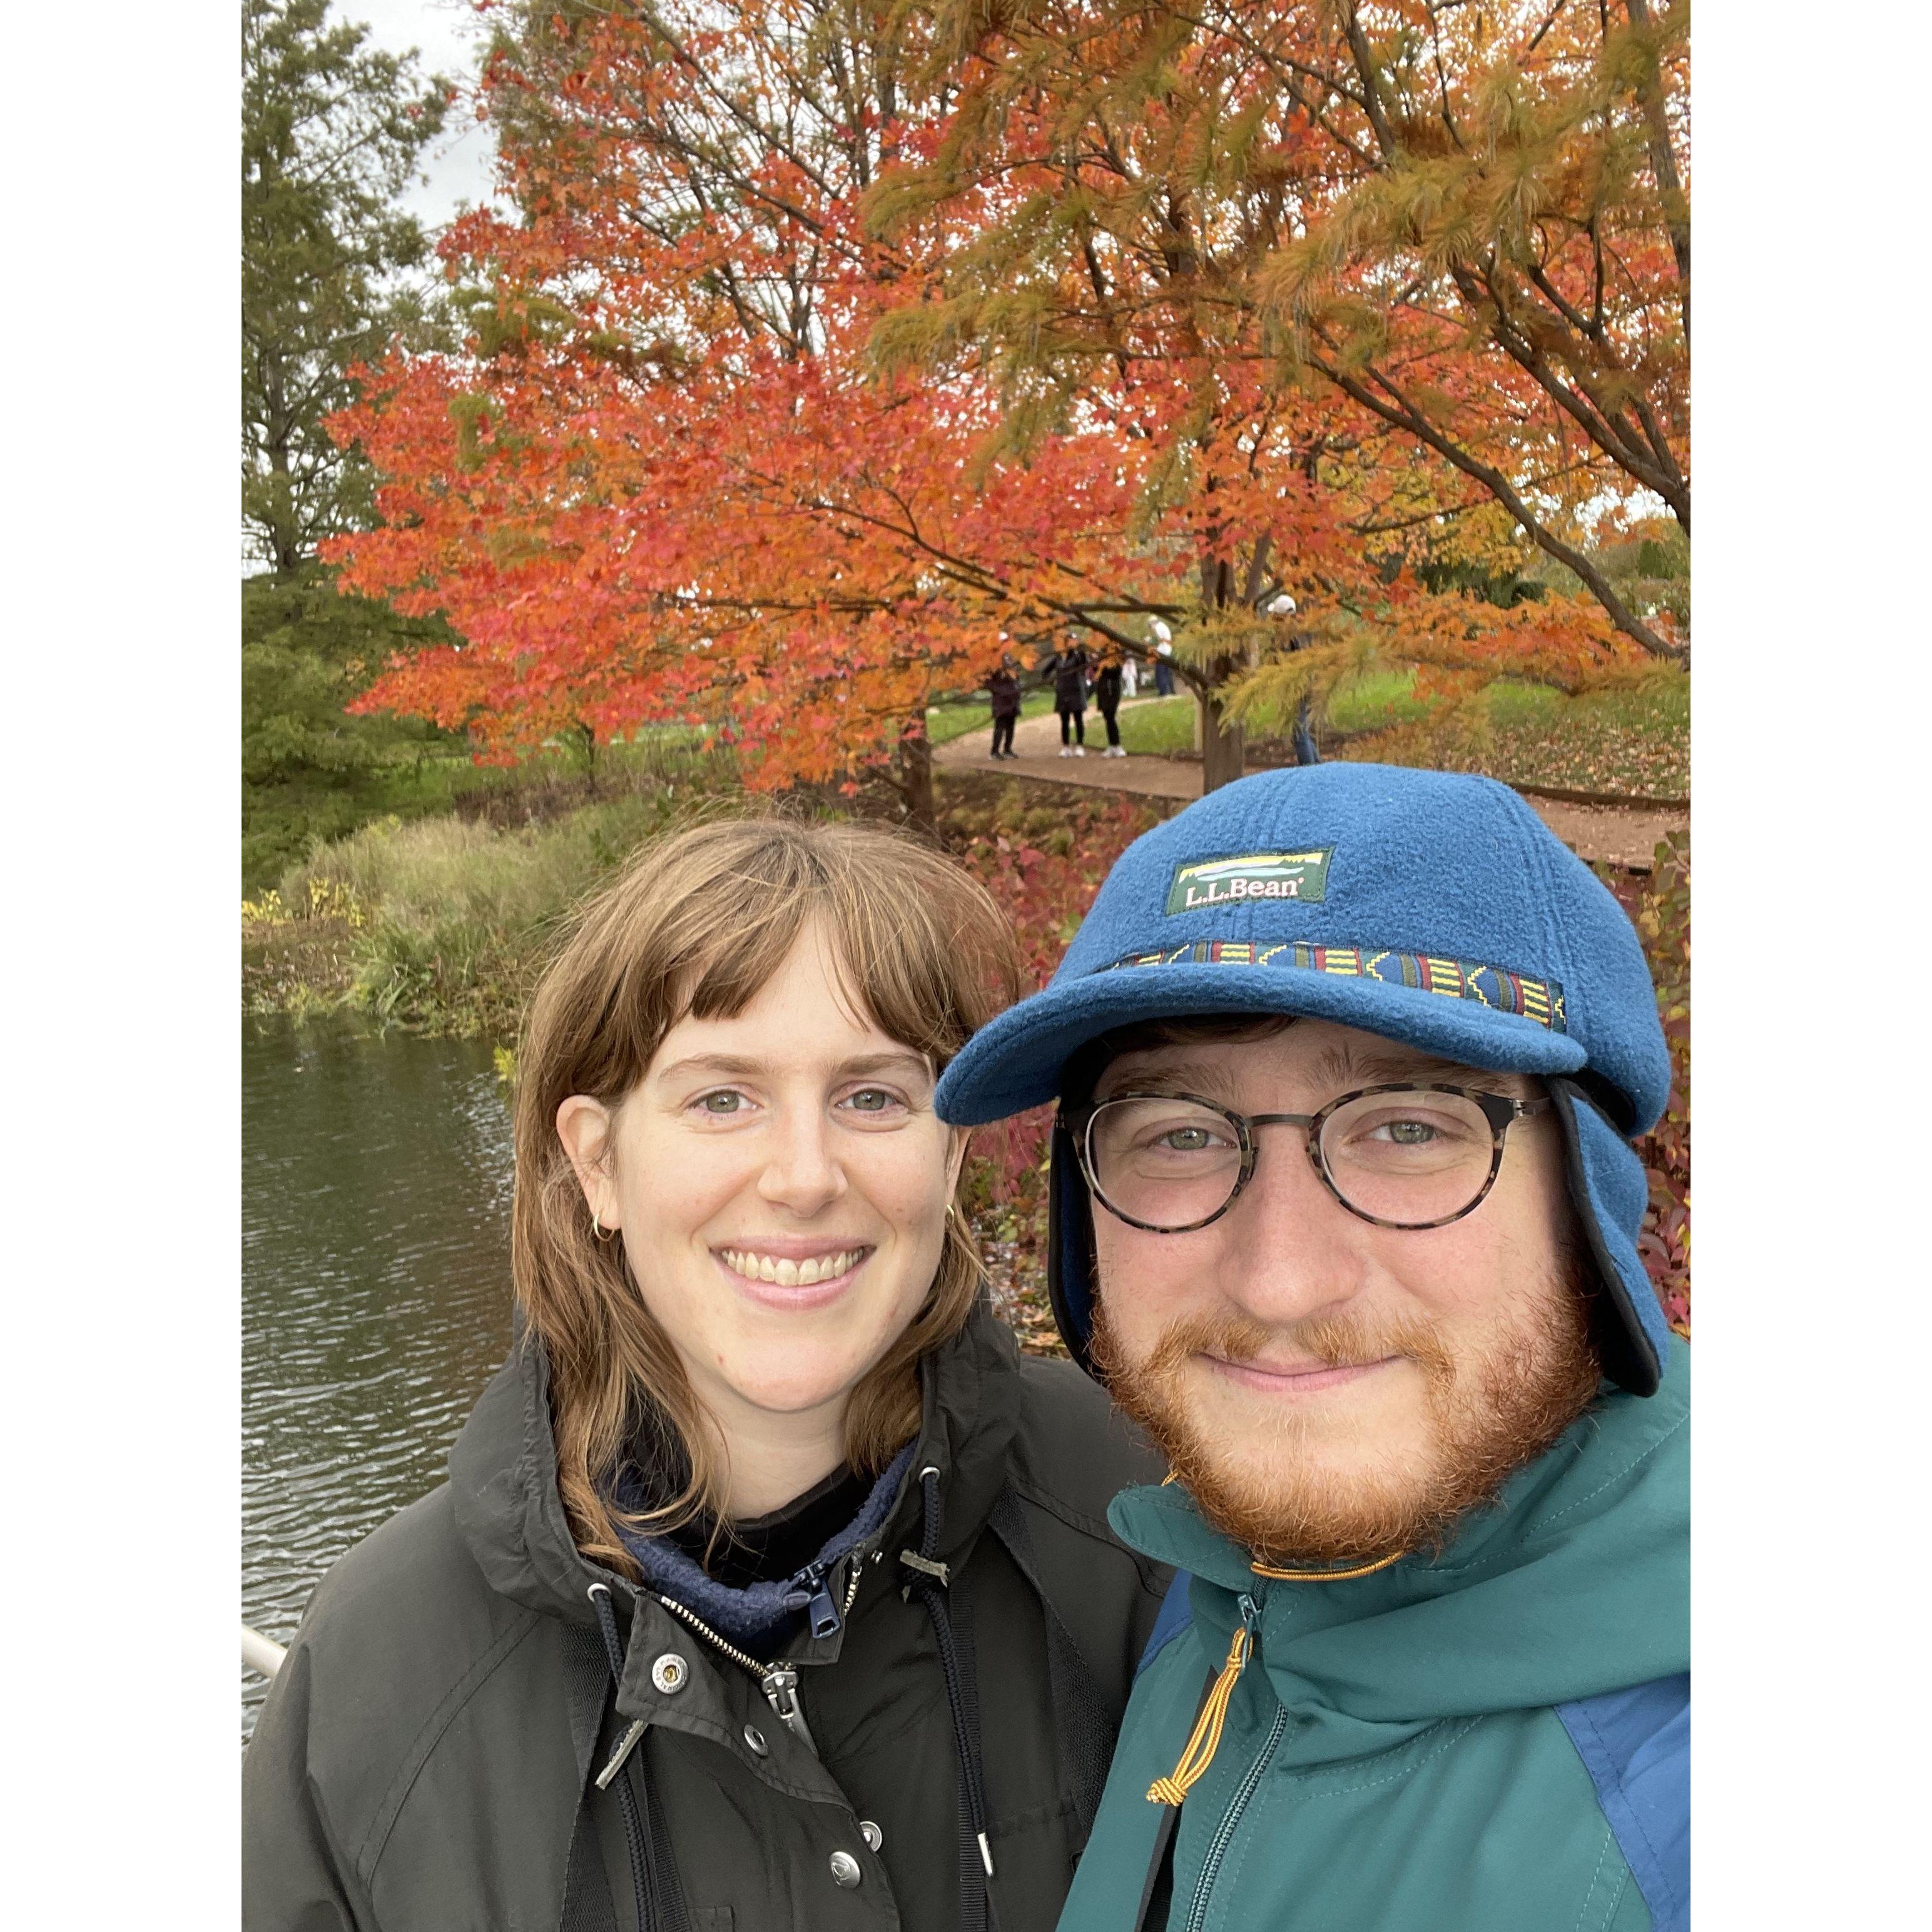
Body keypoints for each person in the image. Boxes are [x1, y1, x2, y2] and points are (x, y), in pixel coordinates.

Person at [243, 816, 1171, 1932]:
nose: (802, 1175)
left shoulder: (1137, 1522)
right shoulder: (380, 1678)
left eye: (872, 1095)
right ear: (598, 1161)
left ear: (951, 1153)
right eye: (721, 1096)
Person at [935, 764, 1689, 1932]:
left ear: (1584, 1198)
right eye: (1178, 1134)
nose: (1279, 1276)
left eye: (1406, 1127)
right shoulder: (1228, 1589)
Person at [1049, 641, 1091, 755]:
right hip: (1063, 693)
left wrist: (1082, 650)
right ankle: (1066, 747)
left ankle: (1080, 746)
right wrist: (1053, 683)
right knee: (1064, 721)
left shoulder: (1077, 657)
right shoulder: (1058, 658)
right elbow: (1046, 672)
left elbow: (1084, 664)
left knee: (1078, 720)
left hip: (1076, 692)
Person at [989, 654, 1022, 759]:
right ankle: (995, 752)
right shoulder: (995, 668)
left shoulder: (1012, 668)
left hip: (1012, 702)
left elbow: (1016, 680)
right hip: (1001, 704)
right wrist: (1000, 691)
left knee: (1010, 727)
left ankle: (1007, 749)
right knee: (1000, 727)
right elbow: (988, 682)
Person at [1092, 654, 1126, 758]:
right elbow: (1096, 673)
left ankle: (1117, 745)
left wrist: (1105, 667)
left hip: (1113, 691)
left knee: (1111, 716)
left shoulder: (1117, 659)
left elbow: (1116, 673)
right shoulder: (1100, 658)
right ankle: (1112, 745)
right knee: (1107, 717)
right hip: (1103, 690)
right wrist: (1100, 666)